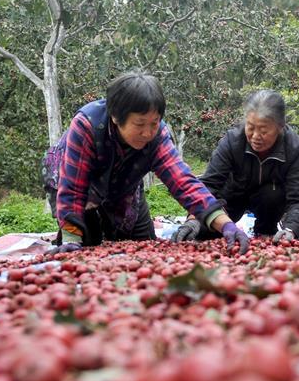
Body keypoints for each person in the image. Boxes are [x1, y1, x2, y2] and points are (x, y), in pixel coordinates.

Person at [48, 71, 249, 254]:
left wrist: (226, 225)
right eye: (139, 124)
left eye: (154, 123)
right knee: (87, 244)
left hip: (125, 187)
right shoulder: (86, 126)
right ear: (116, 117)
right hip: (81, 187)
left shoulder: (157, 136)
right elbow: (73, 187)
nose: (148, 132)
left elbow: (183, 182)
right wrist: (71, 238)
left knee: (145, 247)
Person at [172, 90, 299, 244]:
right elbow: (209, 185)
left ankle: (265, 230)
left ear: (280, 127)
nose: (255, 136)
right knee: (204, 231)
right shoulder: (232, 141)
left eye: (263, 130)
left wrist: (290, 229)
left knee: (272, 195)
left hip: (270, 203)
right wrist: (193, 220)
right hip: (232, 197)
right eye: (250, 127)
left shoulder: (295, 148)